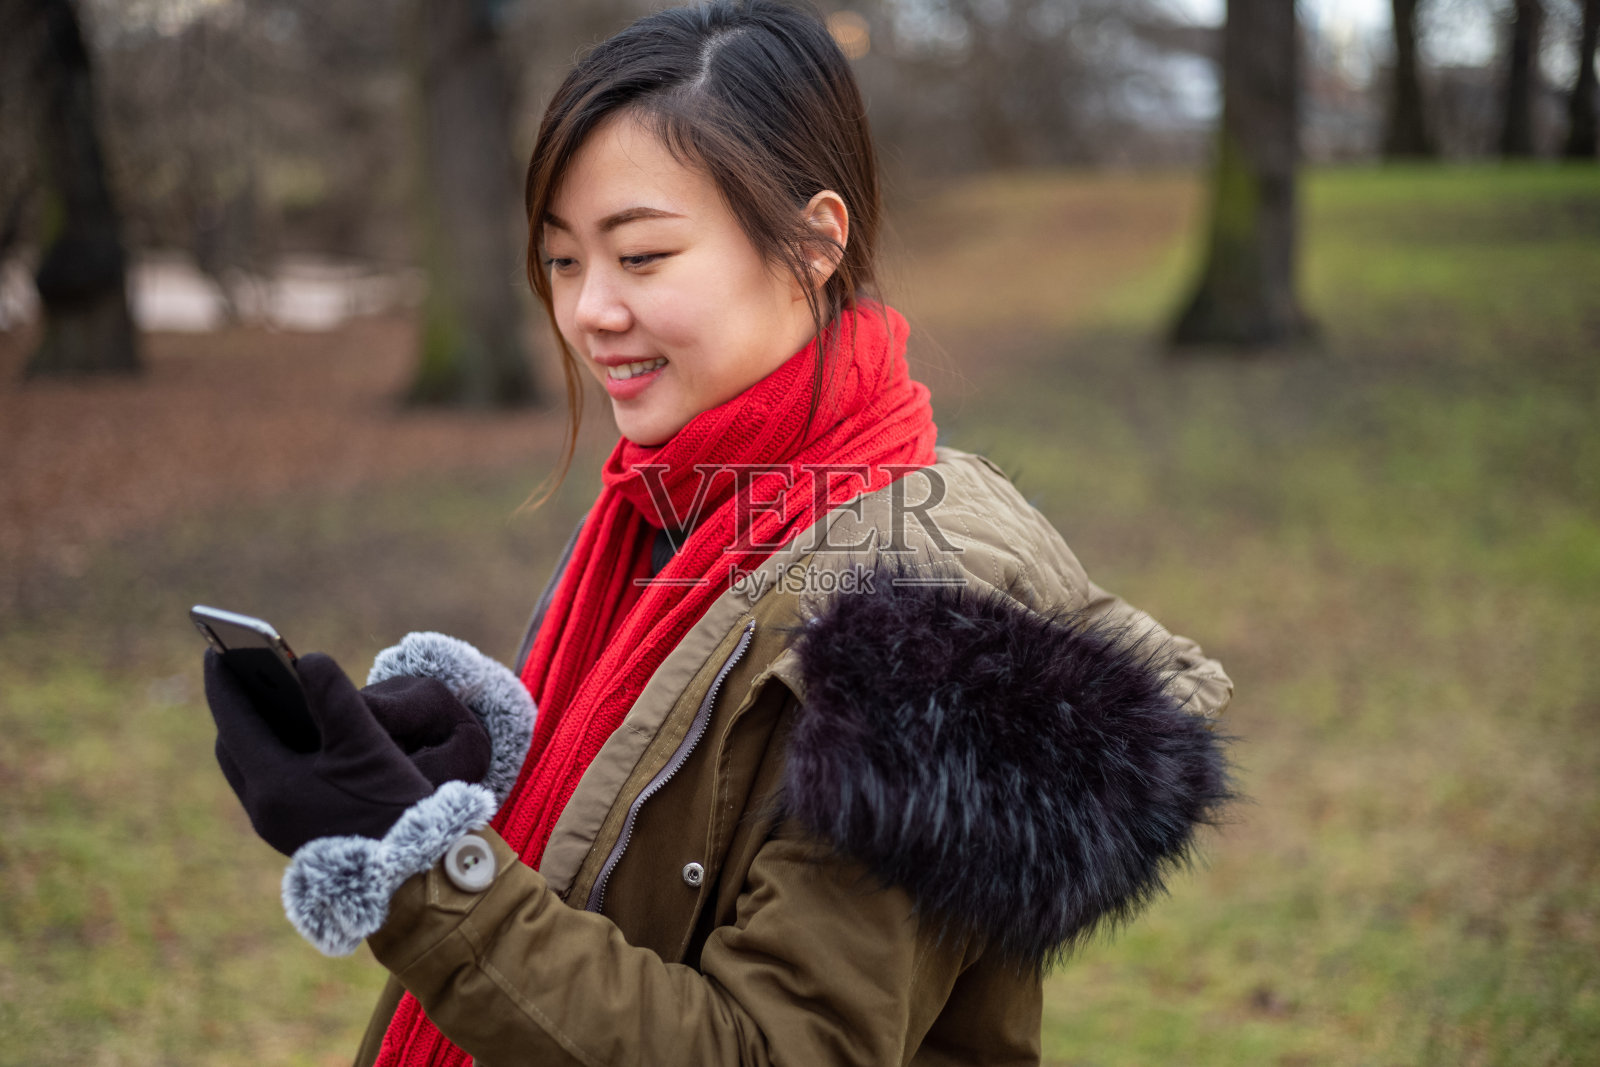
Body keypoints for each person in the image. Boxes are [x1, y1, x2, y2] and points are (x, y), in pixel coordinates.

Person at [203, 2, 1236, 1064]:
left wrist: (425, 870)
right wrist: (470, 766)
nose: (590, 311)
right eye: (562, 262)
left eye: (641, 256)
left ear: (812, 243)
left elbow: (772, 1048)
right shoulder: (674, 503)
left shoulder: (925, 617)